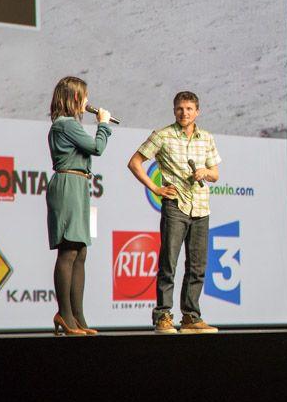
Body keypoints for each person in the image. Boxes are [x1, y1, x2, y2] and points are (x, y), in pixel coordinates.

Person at [128, 91, 221, 333]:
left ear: (197, 111)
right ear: (174, 110)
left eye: (189, 109)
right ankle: (163, 316)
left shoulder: (207, 138)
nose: (184, 113)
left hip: (201, 206)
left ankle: (191, 317)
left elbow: (215, 174)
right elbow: (134, 162)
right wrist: (155, 187)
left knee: (198, 265)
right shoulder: (163, 135)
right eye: (180, 108)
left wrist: (204, 172)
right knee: (169, 262)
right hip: (175, 205)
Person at [46, 76, 111, 336]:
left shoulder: (70, 125)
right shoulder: (65, 125)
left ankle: (78, 315)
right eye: (84, 97)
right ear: (73, 98)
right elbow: (97, 147)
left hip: (79, 186)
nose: (87, 102)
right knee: (68, 251)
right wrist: (103, 125)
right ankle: (65, 313)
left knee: (80, 251)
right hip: (67, 186)